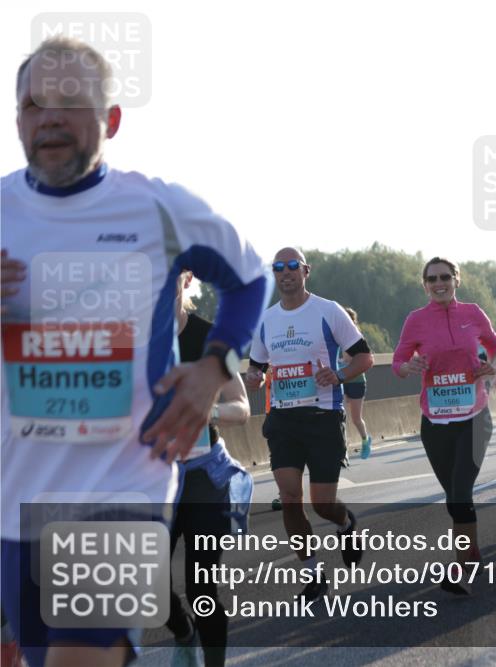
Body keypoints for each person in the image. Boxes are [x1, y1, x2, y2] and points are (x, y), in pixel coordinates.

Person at [1, 37, 269, 667]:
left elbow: (248, 279)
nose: (52, 117)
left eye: (72, 101)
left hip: (123, 488)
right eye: (35, 103)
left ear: (111, 119)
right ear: (18, 119)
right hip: (17, 500)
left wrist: (215, 367)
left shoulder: (157, 208)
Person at [246, 248, 373, 602]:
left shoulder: (327, 310)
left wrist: (340, 374)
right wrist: (254, 376)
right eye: (278, 268)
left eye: (292, 267)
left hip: (322, 418)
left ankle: (346, 524)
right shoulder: (267, 320)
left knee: (321, 504)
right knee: (289, 499)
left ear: (305, 271)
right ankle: (313, 575)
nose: (285, 273)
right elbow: (257, 366)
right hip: (283, 419)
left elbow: (364, 356)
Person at [392, 257, 496, 592]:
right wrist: (408, 367)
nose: (438, 283)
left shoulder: (472, 313)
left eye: (445, 277)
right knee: (454, 497)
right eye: (431, 279)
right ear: (425, 285)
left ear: (457, 280)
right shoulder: (416, 320)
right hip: (435, 423)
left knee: (459, 495)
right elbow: (397, 361)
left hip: (474, 418)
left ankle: (464, 569)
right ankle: (472, 559)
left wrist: (492, 366)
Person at [168, 272, 254, 667]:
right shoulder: (126, 339)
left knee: (201, 586)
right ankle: (183, 632)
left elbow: (242, 405)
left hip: (203, 474)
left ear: (185, 280)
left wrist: (209, 410)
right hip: (151, 477)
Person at [339, 307, 373, 459]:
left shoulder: (356, 337)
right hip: (341, 379)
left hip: (357, 381)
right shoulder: (336, 336)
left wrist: (342, 361)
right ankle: (342, 447)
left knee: (356, 418)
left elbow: (354, 359)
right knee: (341, 415)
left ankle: (365, 440)